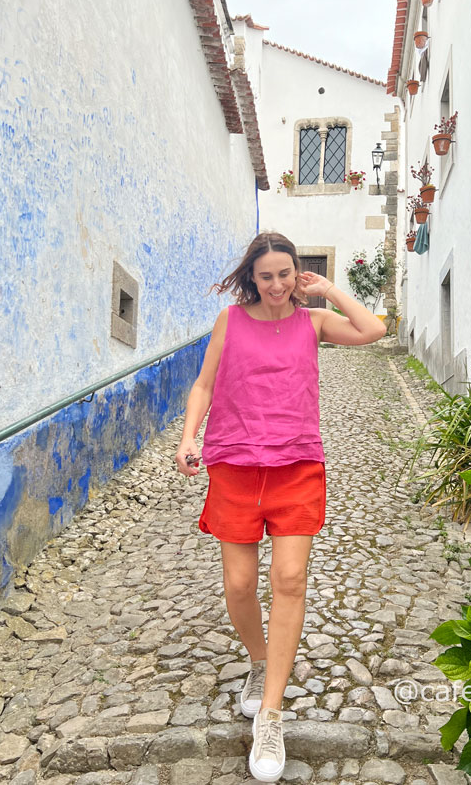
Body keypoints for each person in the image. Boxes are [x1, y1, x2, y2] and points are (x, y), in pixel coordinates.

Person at [175, 231, 386, 783]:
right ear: (253, 277)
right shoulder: (230, 321)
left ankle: (271, 713)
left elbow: (373, 330)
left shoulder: (312, 323)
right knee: (240, 586)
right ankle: (260, 662)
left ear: (298, 275)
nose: (276, 284)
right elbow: (203, 386)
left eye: (285, 273)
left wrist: (332, 291)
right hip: (235, 466)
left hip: (296, 466)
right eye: (265, 275)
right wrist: (188, 437)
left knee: (289, 580)